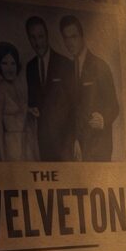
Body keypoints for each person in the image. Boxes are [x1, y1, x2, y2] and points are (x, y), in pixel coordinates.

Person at [60, 14, 118, 161]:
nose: (70, 42)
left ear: (82, 36)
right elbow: (72, 109)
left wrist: (104, 118)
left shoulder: (99, 66)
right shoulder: (67, 69)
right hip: (78, 147)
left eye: (73, 37)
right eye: (66, 38)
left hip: (98, 146)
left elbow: (114, 105)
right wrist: (74, 139)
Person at [24, 15, 75, 162]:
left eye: (40, 36)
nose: (37, 42)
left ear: (47, 36)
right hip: (43, 142)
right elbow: (33, 101)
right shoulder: (30, 67)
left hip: (65, 142)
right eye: (33, 37)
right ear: (28, 39)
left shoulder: (65, 64)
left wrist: (73, 139)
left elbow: (74, 104)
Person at [0, 42, 36, 161]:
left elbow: (18, 112)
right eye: (4, 63)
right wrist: (3, 158)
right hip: (10, 147)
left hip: (25, 144)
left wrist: (29, 110)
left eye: (13, 63)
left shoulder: (18, 87)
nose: (10, 68)